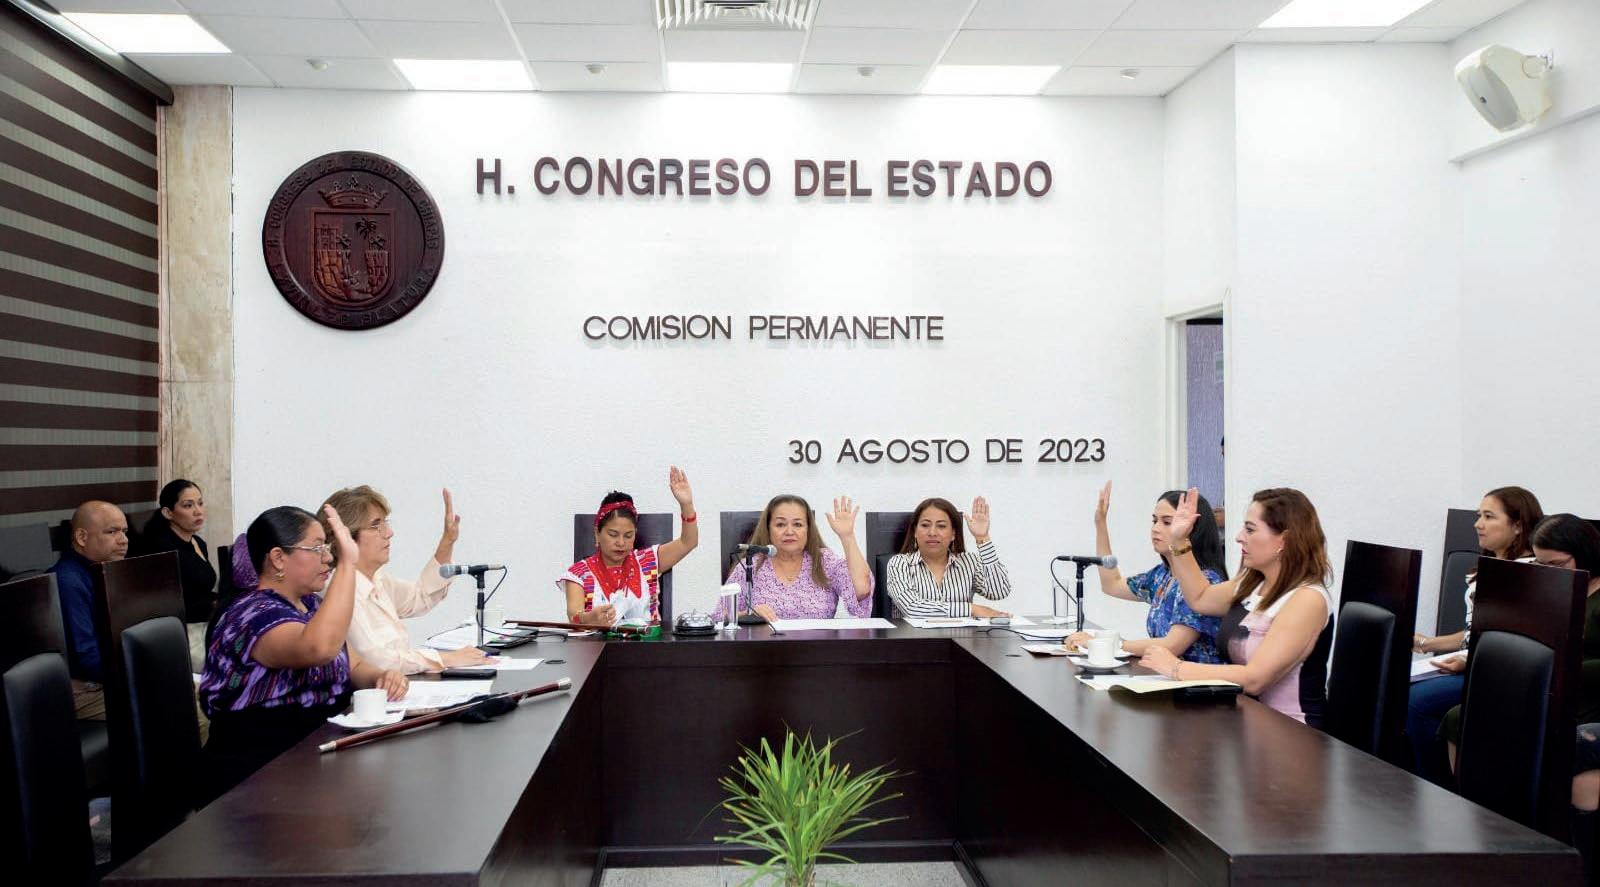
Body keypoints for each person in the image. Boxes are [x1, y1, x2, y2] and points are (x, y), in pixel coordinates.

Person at [200, 505, 408, 804]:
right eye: (317, 548)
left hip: (315, 755)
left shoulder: (309, 605)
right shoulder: (251, 615)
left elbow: (353, 664)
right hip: (260, 775)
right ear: (278, 558)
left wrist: (381, 677)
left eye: (328, 548)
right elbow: (319, 648)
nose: (328, 558)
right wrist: (348, 565)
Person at [1138, 487, 1335, 725]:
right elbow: (1200, 598)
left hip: (1290, 731)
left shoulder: (1307, 599)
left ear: (1284, 539)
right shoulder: (1253, 583)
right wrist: (1179, 540)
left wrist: (1176, 668)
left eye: (1250, 529)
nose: (1239, 537)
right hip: (1245, 719)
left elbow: (1255, 679)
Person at [1406, 486, 1543, 778]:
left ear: (1518, 525)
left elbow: (1512, 638)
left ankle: (1434, 786)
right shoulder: (1493, 566)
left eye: (1489, 516)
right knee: (1398, 686)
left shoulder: (1530, 573)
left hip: (1497, 672)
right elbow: (1475, 631)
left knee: (1417, 702)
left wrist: (1467, 662)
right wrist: (1424, 642)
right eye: (1478, 515)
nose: (1478, 524)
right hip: (1475, 661)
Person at [320, 485, 485, 674]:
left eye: (385, 523)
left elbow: (421, 597)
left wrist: (447, 541)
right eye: (376, 526)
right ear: (345, 537)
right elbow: (375, 660)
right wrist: (444, 659)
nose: (389, 533)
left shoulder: (377, 580)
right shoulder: (340, 592)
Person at [1066, 482, 1227, 662]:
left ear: (1192, 529)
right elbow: (1111, 584)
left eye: (1167, 522)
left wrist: (1102, 644)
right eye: (1154, 521)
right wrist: (1100, 524)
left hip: (1194, 679)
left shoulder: (1204, 582)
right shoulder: (1162, 575)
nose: (1156, 528)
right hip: (1162, 674)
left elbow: (1172, 645)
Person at [560, 466, 699, 627]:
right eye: (613, 534)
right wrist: (590, 619)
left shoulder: (647, 562)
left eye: (628, 535)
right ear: (597, 533)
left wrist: (686, 504)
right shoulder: (579, 574)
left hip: (648, 642)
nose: (621, 543)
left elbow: (688, 542)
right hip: (597, 643)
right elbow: (574, 617)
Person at [714, 494, 873, 622]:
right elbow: (719, 616)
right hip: (763, 649)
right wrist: (747, 615)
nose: (789, 532)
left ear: (808, 529)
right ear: (768, 529)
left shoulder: (824, 561)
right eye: (780, 524)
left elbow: (862, 590)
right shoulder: (750, 565)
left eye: (797, 524)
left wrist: (847, 537)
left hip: (818, 648)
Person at [47, 500, 128, 720]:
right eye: (112, 532)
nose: (123, 540)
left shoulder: (105, 570)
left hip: (111, 675)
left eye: (125, 532)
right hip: (85, 687)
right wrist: (140, 671)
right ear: (82, 537)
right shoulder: (68, 581)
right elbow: (86, 656)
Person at [132, 479, 218, 665]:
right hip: (183, 633)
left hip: (206, 624)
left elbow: (201, 589)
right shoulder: (162, 549)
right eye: (188, 505)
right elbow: (164, 604)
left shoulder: (198, 543)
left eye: (200, 503)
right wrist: (214, 606)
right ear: (168, 512)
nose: (198, 511)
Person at [885, 496, 1012, 619]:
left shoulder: (969, 562)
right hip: (912, 634)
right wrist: (971, 609)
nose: (932, 533)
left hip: (961, 634)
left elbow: (999, 592)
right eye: (925, 525)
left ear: (953, 534)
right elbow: (912, 608)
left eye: (941, 526)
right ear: (915, 532)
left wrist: (982, 538)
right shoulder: (899, 564)